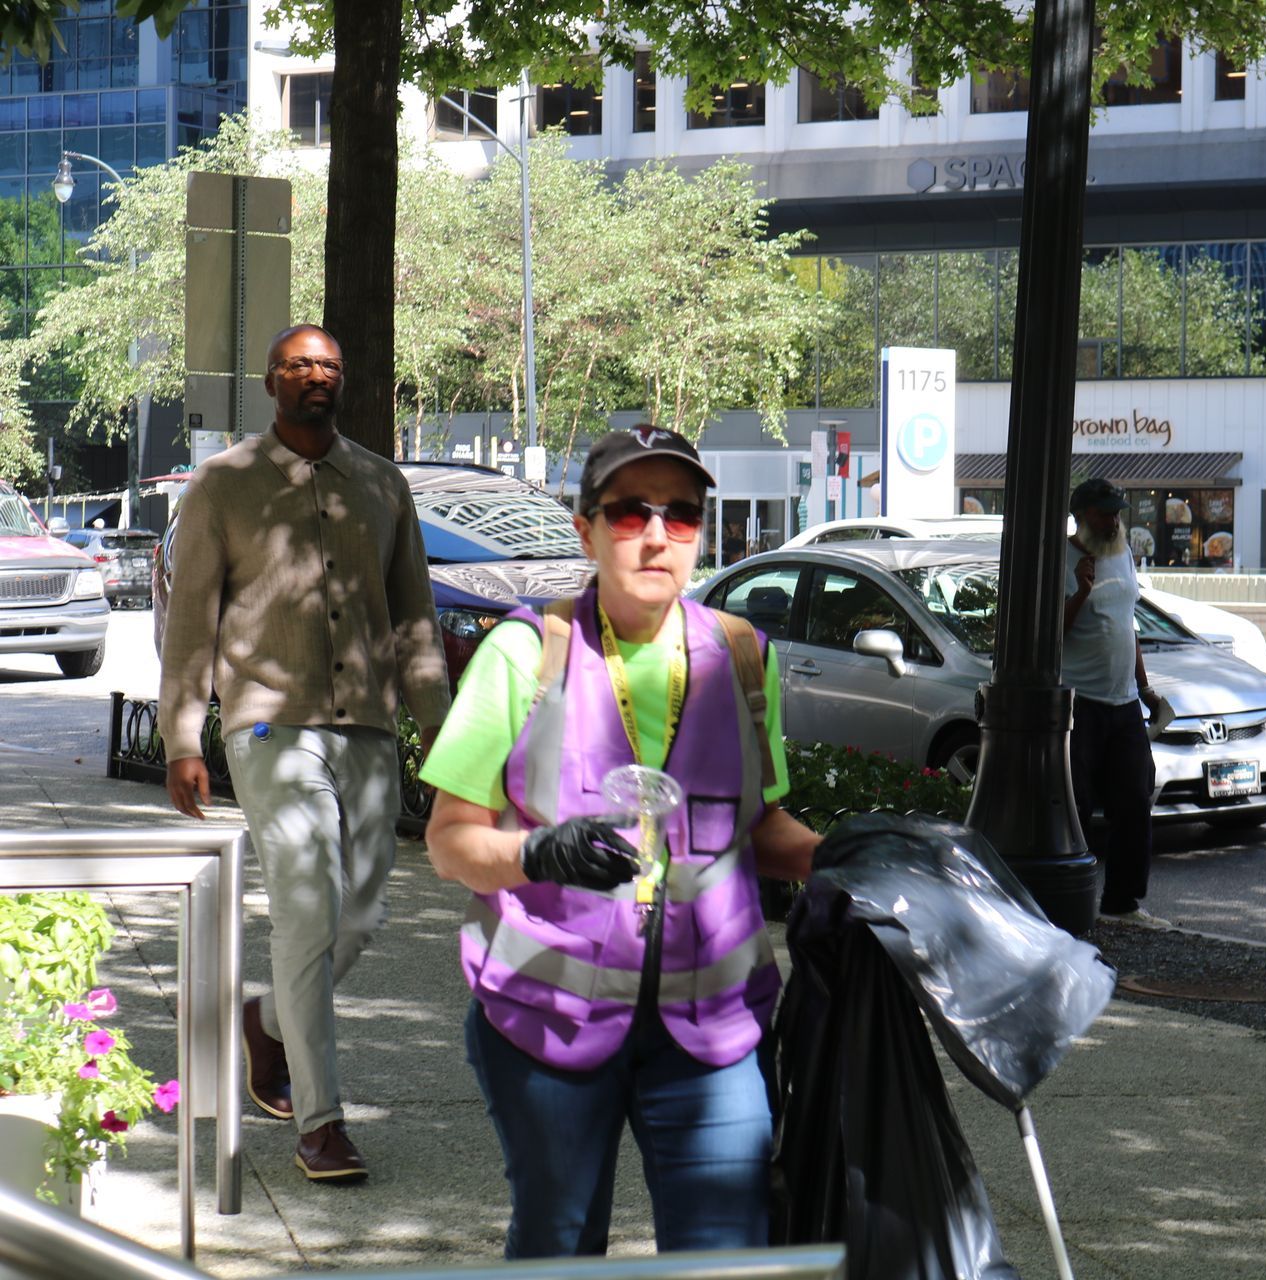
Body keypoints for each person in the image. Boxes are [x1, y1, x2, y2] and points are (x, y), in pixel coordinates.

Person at [419, 425, 821, 1258]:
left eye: (679, 516)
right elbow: (450, 841)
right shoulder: (524, 653)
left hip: (712, 1031)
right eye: (630, 510)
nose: (653, 534)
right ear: (586, 528)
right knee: (560, 1250)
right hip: (548, 1022)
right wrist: (536, 854)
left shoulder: (744, 657)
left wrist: (858, 858)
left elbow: (759, 829)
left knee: (726, 1260)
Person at [159, 324, 451, 1181]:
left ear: (342, 380)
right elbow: (190, 624)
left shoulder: (380, 481)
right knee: (307, 913)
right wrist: (184, 735)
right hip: (268, 727)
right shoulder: (224, 486)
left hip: (366, 725)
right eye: (299, 365)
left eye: (328, 364)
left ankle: (268, 1023)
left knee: (361, 917)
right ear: (271, 381)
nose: (316, 376)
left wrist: (439, 722)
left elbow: (414, 615)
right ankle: (321, 1123)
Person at [1064, 477, 1168, 929]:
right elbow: (1047, 634)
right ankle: (1072, 904)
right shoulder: (1062, 560)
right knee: (1077, 805)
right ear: (1081, 517)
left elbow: (1129, 626)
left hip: (1124, 700)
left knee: (1134, 798)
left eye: (1117, 513)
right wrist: (1080, 592)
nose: (1113, 522)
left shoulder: (1123, 553)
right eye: (1103, 514)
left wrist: (1145, 688)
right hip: (1080, 702)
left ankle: (1121, 902)